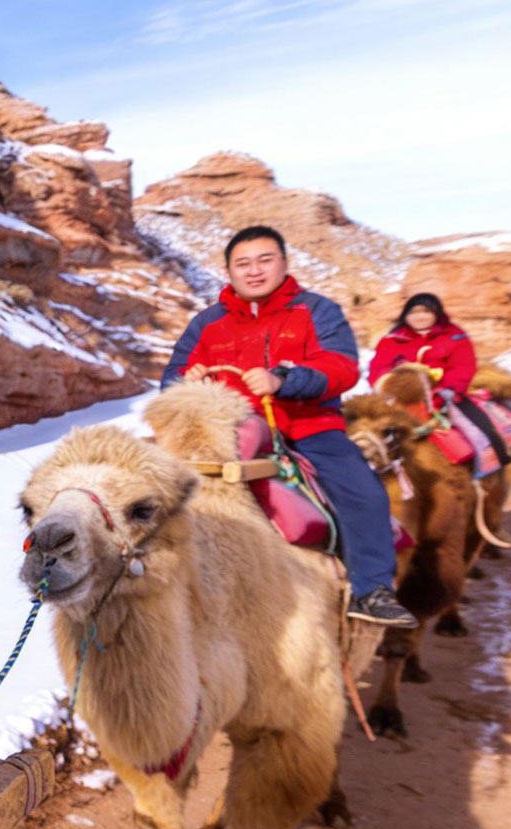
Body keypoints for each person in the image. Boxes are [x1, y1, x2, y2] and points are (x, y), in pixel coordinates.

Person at [162, 224, 416, 628]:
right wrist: (186, 381)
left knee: (363, 491)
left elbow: (341, 366)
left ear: (284, 263)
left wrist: (284, 381)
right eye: (242, 263)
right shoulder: (208, 323)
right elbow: (173, 374)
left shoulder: (317, 310)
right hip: (226, 432)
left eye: (265, 259)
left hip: (308, 426)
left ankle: (371, 590)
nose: (254, 270)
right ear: (229, 271)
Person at [369, 292, 511, 464]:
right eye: (413, 312)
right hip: (397, 398)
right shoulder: (391, 340)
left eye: (426, 311)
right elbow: (377, 369)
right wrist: (387, 386)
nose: (419, 316)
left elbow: (462, 367)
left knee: (478, 430)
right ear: (405, 315)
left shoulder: (455, 336)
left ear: (437, 314)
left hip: (443, 394)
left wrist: (446, 392)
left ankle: (493, 465)